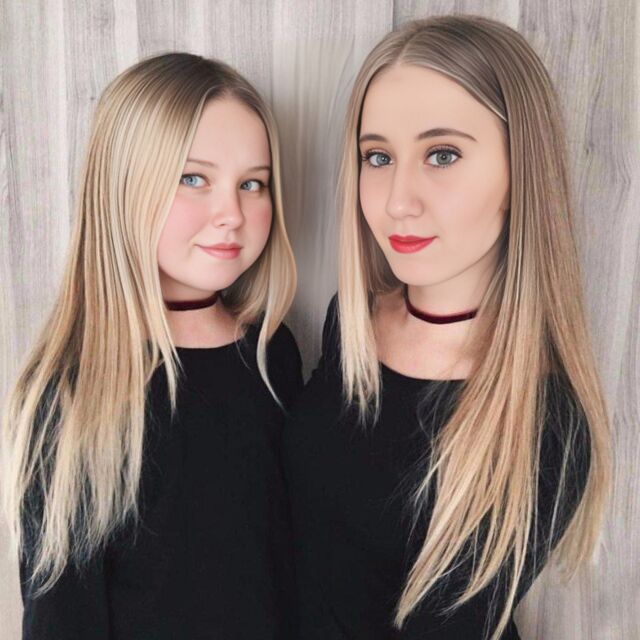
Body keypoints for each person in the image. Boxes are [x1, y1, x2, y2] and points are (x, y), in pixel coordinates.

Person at [283, 15, 609, 640]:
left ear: (520, 172)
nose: (397, 200)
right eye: (378, 157)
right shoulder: (351, 323)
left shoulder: (544, 420)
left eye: (442, 155)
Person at [2, 53, 301, 639]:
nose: (232, 214)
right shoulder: (75, 392)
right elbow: (62, 619)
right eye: (194, 178)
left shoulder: (273, 352)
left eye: (252, 183)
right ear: (124, 186)